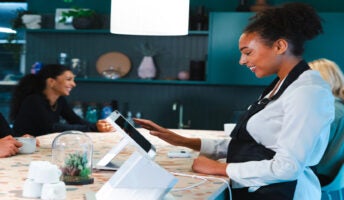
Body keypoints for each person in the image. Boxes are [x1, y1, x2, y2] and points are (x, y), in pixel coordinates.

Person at [134, 3, 334, 200]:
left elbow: (287, 168)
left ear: (279, 46)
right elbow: (250, 146)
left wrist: (219, 168)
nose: (242, 60)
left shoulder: (308, 92)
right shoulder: (281, 85)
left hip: (285, 193)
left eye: (248, 52)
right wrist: (180, 140)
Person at [10, 64, 114, 137]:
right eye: (68, 79)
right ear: (51, 82)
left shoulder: (59, 101)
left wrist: (97, 126)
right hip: (24, 148)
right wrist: (93, 129)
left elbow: (75, 120)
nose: (74, 84)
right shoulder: (34, 101)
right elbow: (52, 127)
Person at [309, 58, 344, 186]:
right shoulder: (339, 106)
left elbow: (307, 151)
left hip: (320, 175)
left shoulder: (330, 110)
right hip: (336, 177)